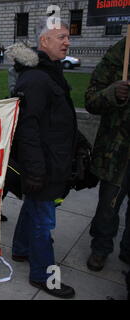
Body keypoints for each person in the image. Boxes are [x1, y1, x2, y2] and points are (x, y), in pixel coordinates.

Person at [10, 17, 76, 299]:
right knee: (43, 221)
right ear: (43, 42)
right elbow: (27, 129)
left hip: (51, 161)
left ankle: (21, 250)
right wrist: (35, 171)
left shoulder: (48, 72)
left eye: (67, 37)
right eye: (60, 37)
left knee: (33, 210)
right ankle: (43, 275)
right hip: (44, 166)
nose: (67, 42)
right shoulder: (37, 78)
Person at [84, 37, 130, 272]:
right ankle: (101, 248)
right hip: (118, 152)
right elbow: (91, 100)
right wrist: (113, 93)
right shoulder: (120, 52)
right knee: (109, 205)